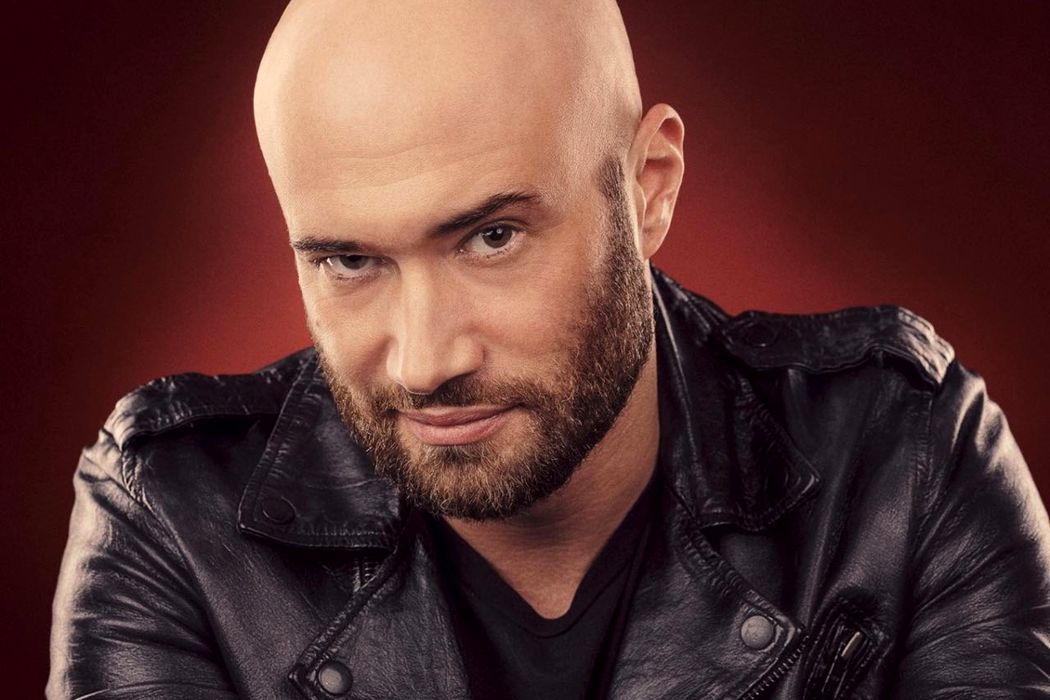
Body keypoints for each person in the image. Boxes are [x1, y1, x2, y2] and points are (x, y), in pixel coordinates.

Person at [48, 0, 1050, 698]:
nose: (424, 362)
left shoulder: (907, 453)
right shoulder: (171, 514)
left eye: (492, 238)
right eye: (350, 261)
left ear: (648, 187)